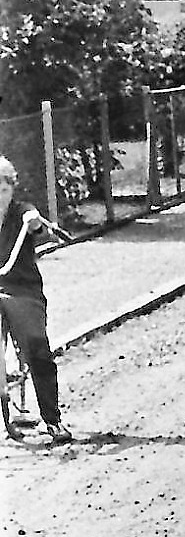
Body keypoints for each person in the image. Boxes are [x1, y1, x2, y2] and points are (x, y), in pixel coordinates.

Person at [0, 157, 69, 443]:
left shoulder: (21, 213)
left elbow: (36, 222)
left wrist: (35, 223)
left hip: (21, 289)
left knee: (36, 345)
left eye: (2, 188)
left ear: (11, 189)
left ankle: (52, 420)